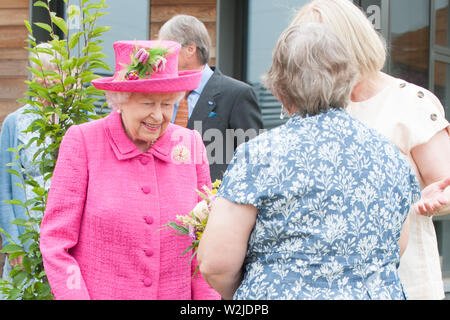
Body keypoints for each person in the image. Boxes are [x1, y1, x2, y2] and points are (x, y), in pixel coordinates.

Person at [197, 22, 423, 300]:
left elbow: (216, 263)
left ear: (279, 88)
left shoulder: (260, 156)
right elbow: (397, 246)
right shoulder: (391, 155)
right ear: (349, 82)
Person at [291, 0, 450, 300]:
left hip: (406, 281)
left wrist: (435, 201)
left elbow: (446, 183)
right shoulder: (314, 110)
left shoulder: (410, 103)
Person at [39, 40, 220, 300]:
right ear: (120, 100)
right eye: (148, 104)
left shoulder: (190, 145)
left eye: (167, 104)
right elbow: (56, 242)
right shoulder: (84, 142)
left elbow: (202, 248)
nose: (158, 116)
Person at [158, 14, 263, 182]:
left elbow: (254, 161)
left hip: (215, 202)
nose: (162, 56)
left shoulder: (237, 94)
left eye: (166, 49)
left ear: (190, 49)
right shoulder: (162, 94)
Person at [0, 43, 60, 284]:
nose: (48, 82)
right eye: (42, 75)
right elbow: (4, 188)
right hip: (25, 234)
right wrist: (13, 243)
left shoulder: (75, 122)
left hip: (62, 233)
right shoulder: (14, 123)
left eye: (55, 74)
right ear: (33, 77)